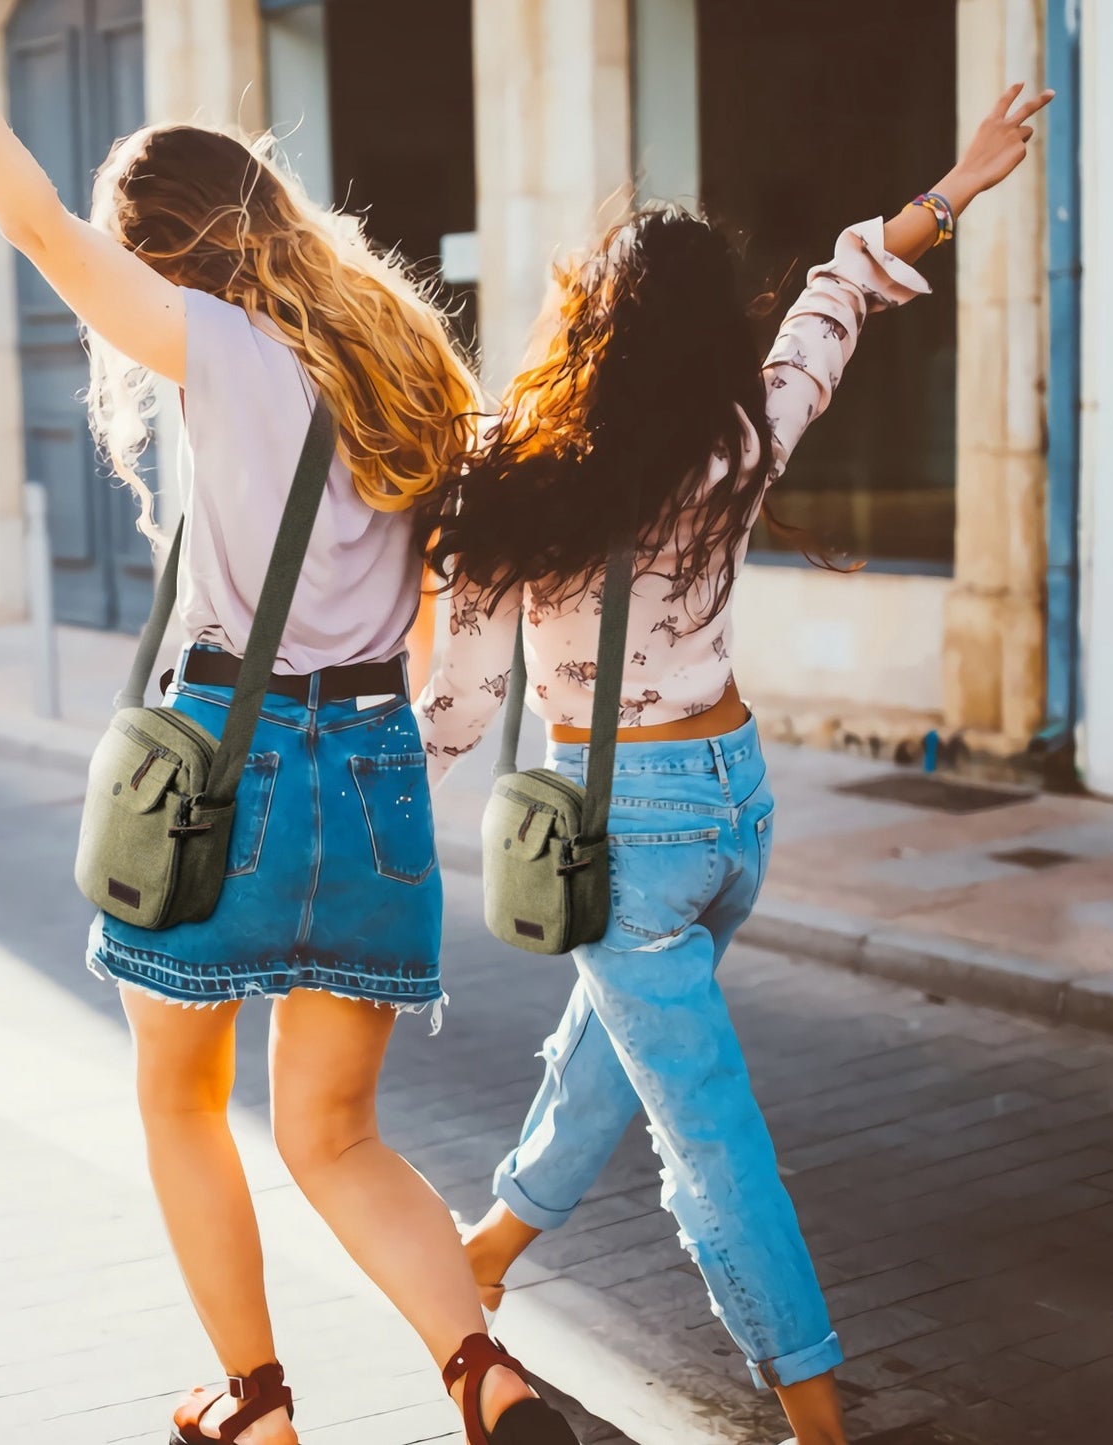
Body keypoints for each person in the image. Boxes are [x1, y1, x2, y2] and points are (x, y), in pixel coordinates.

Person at [0, 5, 582, 1444]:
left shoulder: (216, 346)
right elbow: (441, 600)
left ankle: (256, 1405)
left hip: (228, 775)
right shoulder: (403, 353)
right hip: (370, 768)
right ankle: (479, 1372)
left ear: (163, 255)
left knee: (184, 1103)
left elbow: (40, 228)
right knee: (338, 1133)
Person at [415, 83, 1054, 1445]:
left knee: (704, 1133)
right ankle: (483, 1253)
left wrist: (376, 829)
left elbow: (459, 703)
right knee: (620, 1047)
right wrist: (951, 189)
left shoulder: (512, 475)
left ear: (588, 319)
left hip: (616, 836)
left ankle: (812, 1411)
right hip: (731, 810)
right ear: (713, 330)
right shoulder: (743, 434)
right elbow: (837, 294)